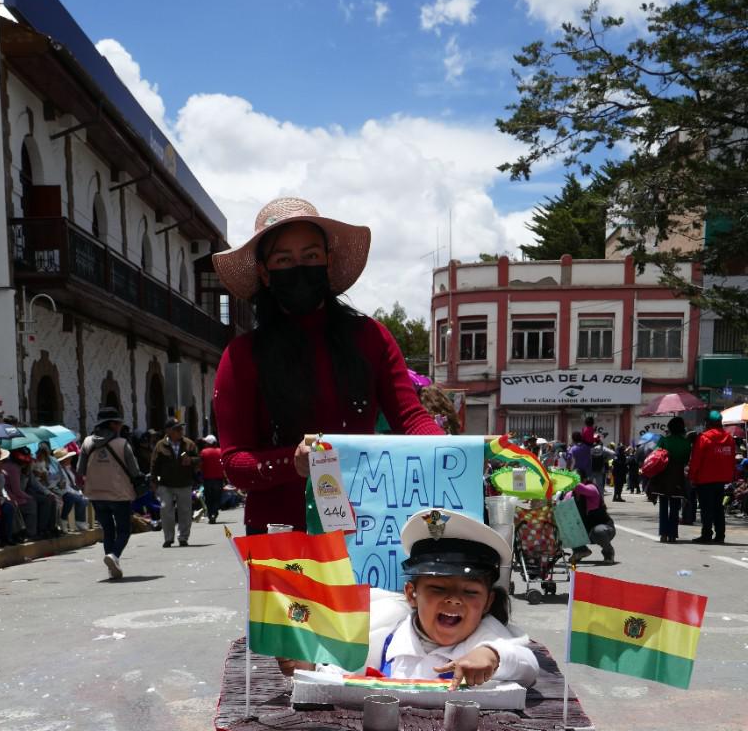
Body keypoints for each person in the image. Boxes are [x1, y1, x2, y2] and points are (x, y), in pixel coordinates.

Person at [212, 196, 443, 533]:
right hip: (281, 539)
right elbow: (234, 463)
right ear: (264, 272)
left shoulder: (371, 337)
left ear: (328, 261)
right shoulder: (241, 356)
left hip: (366, 528)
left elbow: (410, 418)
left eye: (310, 256)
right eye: (284, 259)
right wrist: (291, 462)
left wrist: (453, 449)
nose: (299, 267)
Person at [373, 509, 539, 688]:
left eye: (470, 591)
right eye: (438, 588)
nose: (454, 599)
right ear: (411, 594)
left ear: (488, 602)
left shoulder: (488, 638)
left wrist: (491, 655)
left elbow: (527, 665)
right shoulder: (383, 630)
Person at [77, 404, 142, 579]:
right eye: (118, 423)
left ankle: (111, 566)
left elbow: (80, 471)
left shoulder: (87, 442)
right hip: (119, 494)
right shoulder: (122, 444)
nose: (120, 426)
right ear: (112, 424)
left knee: (108, 530)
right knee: (123, 530)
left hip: (95, 494)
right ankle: (114, 556)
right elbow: (135, 471)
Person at [688, 409, 737, 543]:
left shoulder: (703, 438)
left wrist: (692, 477)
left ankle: (706, 534)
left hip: (705, 479)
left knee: (706, 508)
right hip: (722, 479)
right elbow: (732, 459)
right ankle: (720, 535)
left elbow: (696, 460)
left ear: (708, 423)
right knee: (718, 508)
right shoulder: (730, 439)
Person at [150, 418, 199, 547]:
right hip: (165, 484)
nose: (180, 431)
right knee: (166, 511)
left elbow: (199, 459)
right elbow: (154, 464)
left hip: (184, 483)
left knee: (185, 511)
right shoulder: (160, 445)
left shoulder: (189, 444)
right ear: (168, 431)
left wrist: (191, 460)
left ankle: (183, 537)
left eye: (181, 428)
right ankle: (168, 538)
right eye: (176, 429)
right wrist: (154, 481)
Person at [646, 416, 692, 542]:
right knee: (675, 505)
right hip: (678, 476)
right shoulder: (686, 443)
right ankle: (672, 534)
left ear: (670, 428)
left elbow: (656, 455)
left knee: (664, 505)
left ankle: (663, 534)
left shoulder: (664, 440)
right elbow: (686, 460)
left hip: (664, 475)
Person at [569, 472, 616, 564]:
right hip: (585, 531)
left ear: (584, 480)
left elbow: (581, 488)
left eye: (576, 480)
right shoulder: (570, 495)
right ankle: (580, 550)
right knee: (563, 524)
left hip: (604, 528)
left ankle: (608, 552)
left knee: (598, 532)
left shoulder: (592, 488)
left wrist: (567, 479)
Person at [53, 447, 89, 531]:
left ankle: (80, 521)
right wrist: (77, 493)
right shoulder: (57, 471)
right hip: (60, 492)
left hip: (69, 491)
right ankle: (63, 520)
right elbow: (64, 487)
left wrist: (78, 491)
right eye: (67, 458)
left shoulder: (68, 469)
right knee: (73, 498)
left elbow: (73, 484)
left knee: (84, 499)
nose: (70, 459)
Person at [199, 434, 225, 523]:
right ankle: (214, 513)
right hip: (218, 479)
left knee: (209, 498)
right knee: (217, 498)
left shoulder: (204, 452)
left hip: (207, 479)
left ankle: (211, 514)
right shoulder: (221, 451)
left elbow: (200, 465)